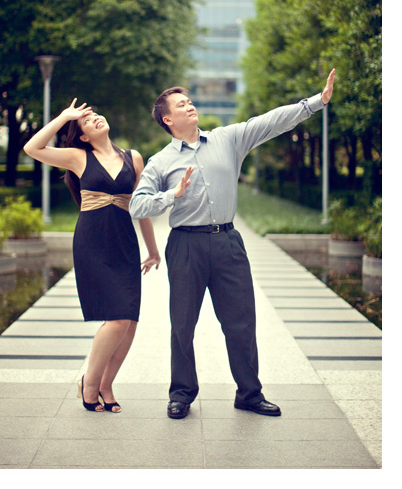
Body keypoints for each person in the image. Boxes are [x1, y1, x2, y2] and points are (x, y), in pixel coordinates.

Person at [128, 69, 336, 420]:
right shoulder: (160, 162)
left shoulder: (228, 139)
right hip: (185, 246)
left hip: (228, 243)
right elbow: (137, 205)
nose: (190, 105)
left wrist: (315, 103)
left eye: (190, 100)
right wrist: (171, 194)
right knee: (182, 325)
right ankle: (181, 394)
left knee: (241, 322)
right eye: (182, 104)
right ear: (167, 118)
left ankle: (249, 394)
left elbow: (269, 122)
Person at [23, 99, 160, 413]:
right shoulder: (78, 157)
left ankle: (106, 385)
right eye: (87, 120)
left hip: (125, 242)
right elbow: (33, 148)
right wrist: (64, 117)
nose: (95, 118)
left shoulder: (133, 158)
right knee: (117, 319)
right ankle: (89, 383)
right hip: (93, 242)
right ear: (83, 136)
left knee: (130, 321)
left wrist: (153, 251)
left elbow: (142, 207)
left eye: (97, 114)